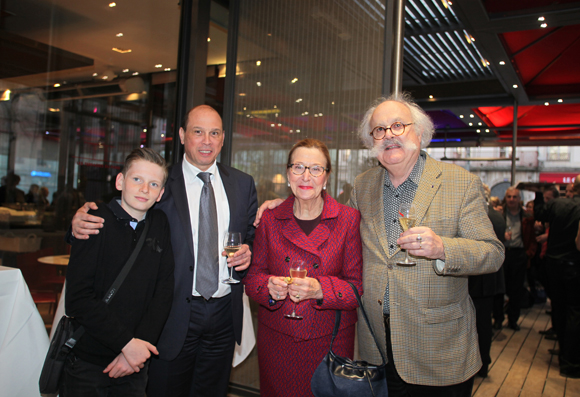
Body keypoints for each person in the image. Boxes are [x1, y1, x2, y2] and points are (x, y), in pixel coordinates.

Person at [255, 93, 504, 396]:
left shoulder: (459, 183)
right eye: (379, 130)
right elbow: (331, 224)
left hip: (436, 350)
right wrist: (292, 201)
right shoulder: (364, 185)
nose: (389, 136)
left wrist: (443, 249)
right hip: (375, 349)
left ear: (420, 133)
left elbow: (492, 252)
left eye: (398, 126)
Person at [71, 105, 258, 397]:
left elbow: (251, 236)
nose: (206, 140)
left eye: (214, 133)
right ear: (183, 135)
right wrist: (77, 224)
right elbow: (118, 215)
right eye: (198, 132)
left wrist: (249, 250)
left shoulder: (243, 184)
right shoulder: (158, 179)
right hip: (171, 315)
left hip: (223, 315)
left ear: (223, 139)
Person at [244, 139, 363, 396]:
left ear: (327, 176)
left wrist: (320, 289)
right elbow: (253, 278)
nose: (306, 176)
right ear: (288, 173)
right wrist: (268, 288)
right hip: (278, 340)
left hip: (329, 341)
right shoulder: (270, 218)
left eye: (315, 169)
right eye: (298, 167)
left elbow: (356, 288)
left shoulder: (347, 219)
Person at [62, 148, 174, 396]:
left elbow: (164, 291)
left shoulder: (160, 224)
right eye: (137, 179)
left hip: (135, 361)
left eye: (153, 184)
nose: (145, 189)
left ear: (161, 194)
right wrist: (126, 344)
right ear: (120, 181)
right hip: (90, 360)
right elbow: (78, 299)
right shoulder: (93, 221)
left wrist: (138, 348)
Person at [534, 175, 580, 379]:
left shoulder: (558, 204)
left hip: (553, 263)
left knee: (559, 308)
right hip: (575, 264)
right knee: (575, 312)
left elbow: (538, 213)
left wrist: (537, 193)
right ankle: (570, 362)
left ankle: (563, 353)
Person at [468, 184, 505, 378]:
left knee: (476, 325)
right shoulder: (498, 216)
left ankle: (477, 363)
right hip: (491, 279)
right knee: (484, 324)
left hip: (476, 279)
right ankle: (484, 362)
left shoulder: (478, 216)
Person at [493, 187, 536, 330]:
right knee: (499, 289)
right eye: (509, 197)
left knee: (516, 290)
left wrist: (528, 254)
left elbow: (532, 237)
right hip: (502, 253)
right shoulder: (499, 214)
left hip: (519, 254)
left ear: (519, 199)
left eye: (514, 197)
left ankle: (513, 320)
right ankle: (498, 318)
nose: (512, 199)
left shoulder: (526, 217)